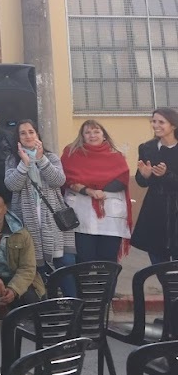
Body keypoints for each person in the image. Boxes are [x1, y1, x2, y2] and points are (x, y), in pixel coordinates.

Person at [4, 119, 75, 286]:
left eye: (31, 132)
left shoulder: (51, 157)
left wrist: (41, 159)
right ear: (18, 138)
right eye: (23, 133)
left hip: (54, 219)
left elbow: (59, 180)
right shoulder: (12, 160)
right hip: (27, 219)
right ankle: (44, 300)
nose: (28, 136)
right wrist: (24, 164)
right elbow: (12, 185)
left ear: (37, 135)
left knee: (64, 267)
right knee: (36, 269)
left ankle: (70, 301)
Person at [61, 119, 133, 263]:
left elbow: (122, 179)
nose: (92, 135)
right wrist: (88, 191)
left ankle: (106, 279)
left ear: (104, 135)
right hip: (81, 217)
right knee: (83, 259)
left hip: (110, 218)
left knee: (108, 260)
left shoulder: (116, 155)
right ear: (82, 136)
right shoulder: (71, 154)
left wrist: (95, 188)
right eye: (88, 132)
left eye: (96, 131)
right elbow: (68, 179)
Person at [132, 107, 178, 264]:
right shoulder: (147, 148)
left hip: (175, 209)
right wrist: (145, 175)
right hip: (155, 210)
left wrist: (166, 175)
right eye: (153, 121)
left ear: (173, 125)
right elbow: (141, 181)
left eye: (161, 122)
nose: (155, 125)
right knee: (158, 261)